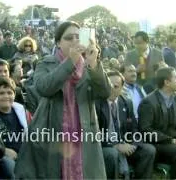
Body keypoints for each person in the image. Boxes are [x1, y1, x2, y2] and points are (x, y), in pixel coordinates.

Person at [14, 21, 111, 179]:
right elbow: (44, 88)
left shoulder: (90, 65)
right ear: (58, 42)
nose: (75, 41)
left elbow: (105, 92)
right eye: (69, 38)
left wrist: (94, 64)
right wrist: (70, 62)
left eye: (78, 37)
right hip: (53, 128)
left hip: (84, 129)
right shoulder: (46, 63)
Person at [96, 71, 155, 179]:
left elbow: (134, 128)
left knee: (149, 150)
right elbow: (94, 134)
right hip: (104, 145)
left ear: (122, 87)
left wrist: (133, 144)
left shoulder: (126, 103)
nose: (111, 89)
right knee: (112, 153)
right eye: (108, 85)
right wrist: (115, 145)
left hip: (124, 142)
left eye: (115, 86)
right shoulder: (96, 104)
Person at [0, 77, 28, 179]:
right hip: (1, 158)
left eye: (9, 92)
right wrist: (4, 151)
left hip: (24, 154)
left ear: (14, 94)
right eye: (1, 93)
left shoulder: (23, 112)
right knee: (8, 165)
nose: (6, 96)